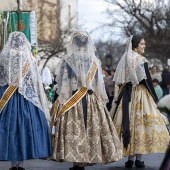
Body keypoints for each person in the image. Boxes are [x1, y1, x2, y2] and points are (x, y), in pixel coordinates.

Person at [51, 31, 122, 170]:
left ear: (74, 42)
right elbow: (98, 84)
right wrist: (100, 100)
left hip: (73, 99)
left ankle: (76, 161)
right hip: (90, 99)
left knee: (74, 130)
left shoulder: (68, 59)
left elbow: (62, 83)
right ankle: (88, 157)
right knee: (90, 127)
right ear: (87, 43)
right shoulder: (94, 60)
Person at [110, 34, 170, 169]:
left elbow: (119, 81)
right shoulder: (141, 60)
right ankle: (138, 159)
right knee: (140, 125)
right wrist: (155, 99)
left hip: (127, 96)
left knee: (129, 124)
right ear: (136, 45)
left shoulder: (124, 60)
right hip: (141, 95)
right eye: (142, 44)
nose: (145, 46)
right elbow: (147, 81)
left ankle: (130, 159)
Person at [0, 32, 52, 170]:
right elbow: (34, 81)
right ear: (24, 43)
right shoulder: (29, 59)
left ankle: (12, 164)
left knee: (9, 128)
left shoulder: (3, 57)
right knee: (24, 128)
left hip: (6, 96)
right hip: (25, 97)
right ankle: (21, 164)